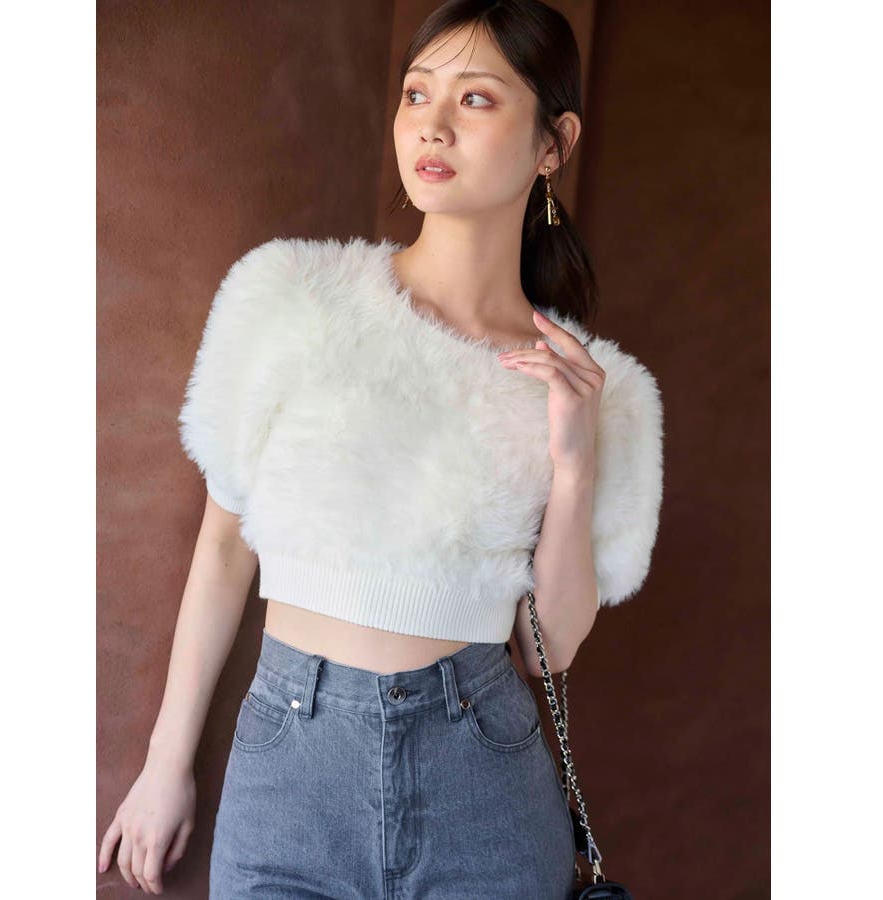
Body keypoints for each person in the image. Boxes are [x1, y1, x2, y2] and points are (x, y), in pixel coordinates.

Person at [97, 1, 665, 896]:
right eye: (416, 93)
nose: (432, 124)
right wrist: (167, 765)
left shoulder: (601, 390)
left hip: (482, 784)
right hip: (288, 774)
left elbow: (547, 650)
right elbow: (223, 547)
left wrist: (574, 463)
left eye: (475, 99)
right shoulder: (290, 294)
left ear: (553, 145)